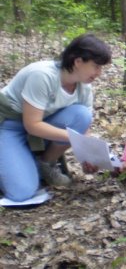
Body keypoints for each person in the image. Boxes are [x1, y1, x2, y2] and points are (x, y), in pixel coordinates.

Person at [0, 33, 112, 202]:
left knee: (82, 114)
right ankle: (16, 162)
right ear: (78, 61)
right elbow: (32, 125)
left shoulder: (84, 88)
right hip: (9, 125)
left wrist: (87, 158)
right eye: (96, 66)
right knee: (21, 192)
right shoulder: (43, 75)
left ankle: (45, 164)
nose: (99, 73)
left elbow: (83, 128)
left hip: (42, 126)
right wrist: (73, 138)